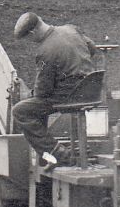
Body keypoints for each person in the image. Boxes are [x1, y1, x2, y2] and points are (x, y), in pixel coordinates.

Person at [11, 12, 97, 160]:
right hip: (91, 89)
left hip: (69, 96)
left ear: (32, 33)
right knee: (36, 105)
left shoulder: (45, 51)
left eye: (28, 38)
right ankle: (57, 154)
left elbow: (43, 91)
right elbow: (92, 48)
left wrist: (30, 95)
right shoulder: (70, 29)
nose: (31, 41)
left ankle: (58, 154)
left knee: (21, 110)